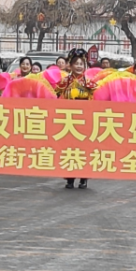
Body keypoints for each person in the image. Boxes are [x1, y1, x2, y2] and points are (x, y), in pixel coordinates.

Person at [56, 50, 97, 189]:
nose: (79, 66)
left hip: (85, 120)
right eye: (76, 64)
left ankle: (84, 177)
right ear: (70, 66)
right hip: (68, 119)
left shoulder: (90, 83)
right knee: (69, 149)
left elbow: (97, 99)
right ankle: (69, 177)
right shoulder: (63, 82)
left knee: (84, 149)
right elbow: (53, 96)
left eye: (81, 64)